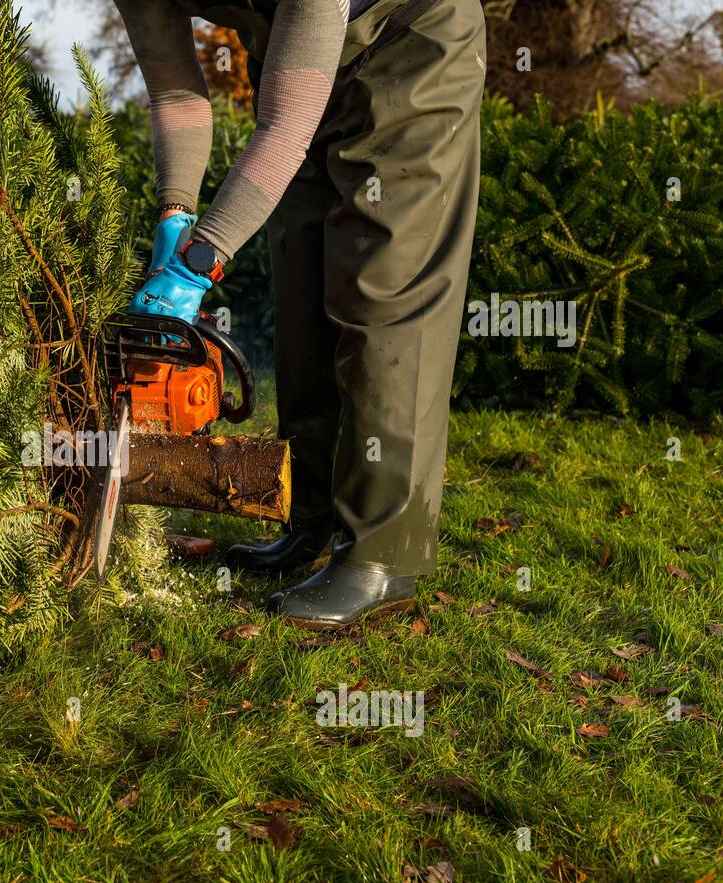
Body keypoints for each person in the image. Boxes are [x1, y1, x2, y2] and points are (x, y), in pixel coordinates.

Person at [117, 0, 487, 629]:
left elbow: (285, 127)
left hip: (410, 43)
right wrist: (175, 215)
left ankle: (381, 555)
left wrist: (201, 261)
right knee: (301, 273)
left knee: (381, 288)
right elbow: (178, 96)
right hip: (291, 53)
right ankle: (309, 516)